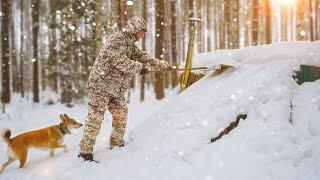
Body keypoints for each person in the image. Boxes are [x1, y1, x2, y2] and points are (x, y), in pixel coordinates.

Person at [78, 17, 170, 162]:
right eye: (141, 31)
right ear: (133, 29)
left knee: (121, 114)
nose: (142, 34)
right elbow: (120, 61)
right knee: (95, 119)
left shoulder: (130, 44)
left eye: (143, 32)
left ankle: (116, 144)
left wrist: (162, 65)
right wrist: (140, 68)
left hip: (115, 90)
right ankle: (85, 152)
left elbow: (142, 57)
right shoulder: (118, 40)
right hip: (100, 87)